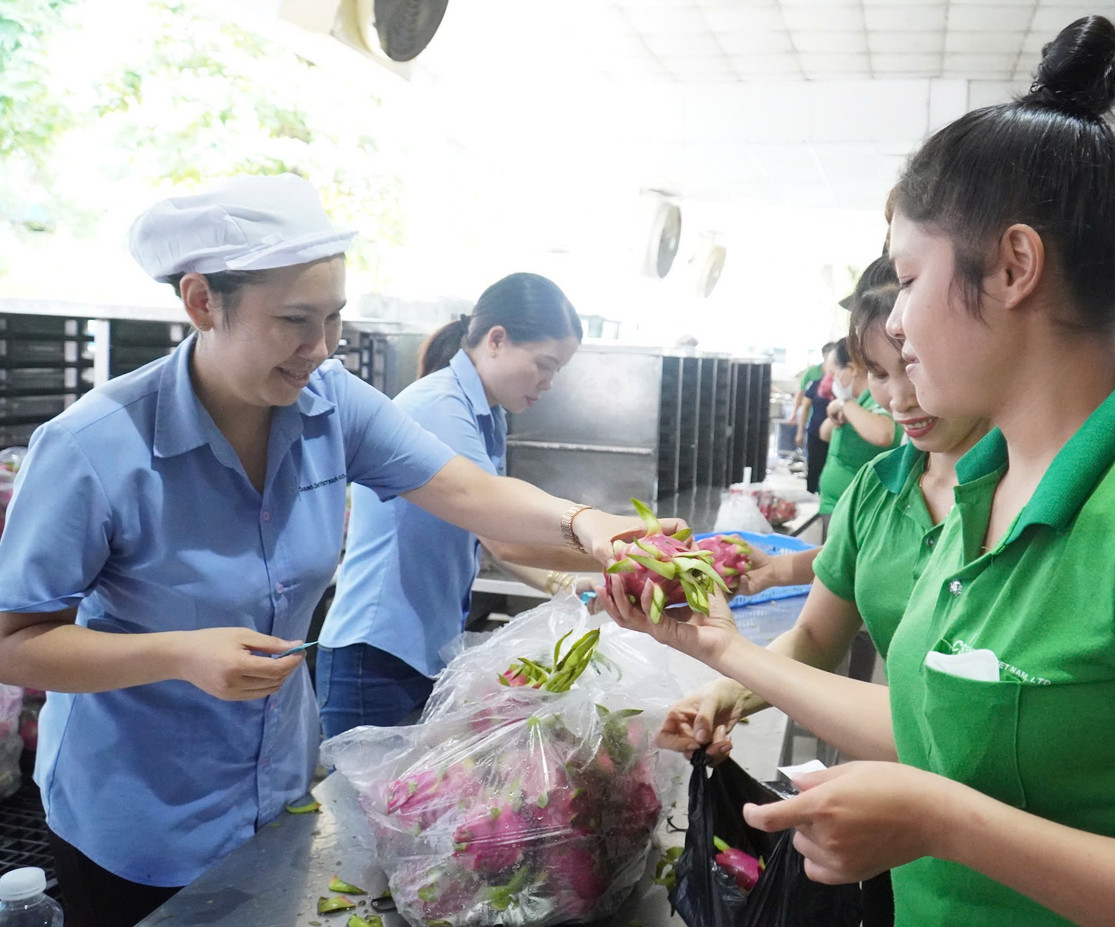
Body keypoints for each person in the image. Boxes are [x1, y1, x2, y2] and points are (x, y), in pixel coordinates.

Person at [600, 16, 1115, 926]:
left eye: (911, 277)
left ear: (1013, 266)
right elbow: (944, 729)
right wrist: (721, 650)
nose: (902, 327)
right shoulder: (978, 492)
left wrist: (946, 821)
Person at [0, 174, 674, 927]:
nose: (320, 348)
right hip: (137, 817)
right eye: (294, 320)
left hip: (274, 793)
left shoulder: (327, 404)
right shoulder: (93, 448)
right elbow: (15, 642)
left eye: (333, 318)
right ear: (200, 303)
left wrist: (586, 522)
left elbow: (464, 491)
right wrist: (179, 654)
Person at [660, 253, 989, 754]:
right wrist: (730, 693)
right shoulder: (876, 490)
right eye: (878, 373)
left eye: (916, 365)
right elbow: (815, 636)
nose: (900, 398)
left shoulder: (1020, 495)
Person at [317, 273, 596, 738]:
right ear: (497, 340)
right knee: (372, 806)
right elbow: (504, 535)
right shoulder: (439, 406)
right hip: (376, 655)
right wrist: (622, 553)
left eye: (557, 371)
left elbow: (490, 538)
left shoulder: (487, 414)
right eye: (543, 364)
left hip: (421, 651)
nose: (548, 383)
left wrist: (567, 582)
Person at [817, 338, 902, 518]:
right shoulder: (856, 404)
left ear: (852, 369)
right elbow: (824, 434)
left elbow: (883, 434)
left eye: (834, 374)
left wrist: (845, 403)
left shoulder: (876, 398)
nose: (830, 381)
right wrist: (840, 406)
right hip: (836, 507)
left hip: (858, 512)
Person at [798, 342, 837, 492]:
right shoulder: (816, 384)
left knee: (829, 468)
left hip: (835, 436)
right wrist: (800, 431)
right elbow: (805, 406)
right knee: (814, 466)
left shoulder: (845, 388)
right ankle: (811, 493)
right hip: (815, 433)